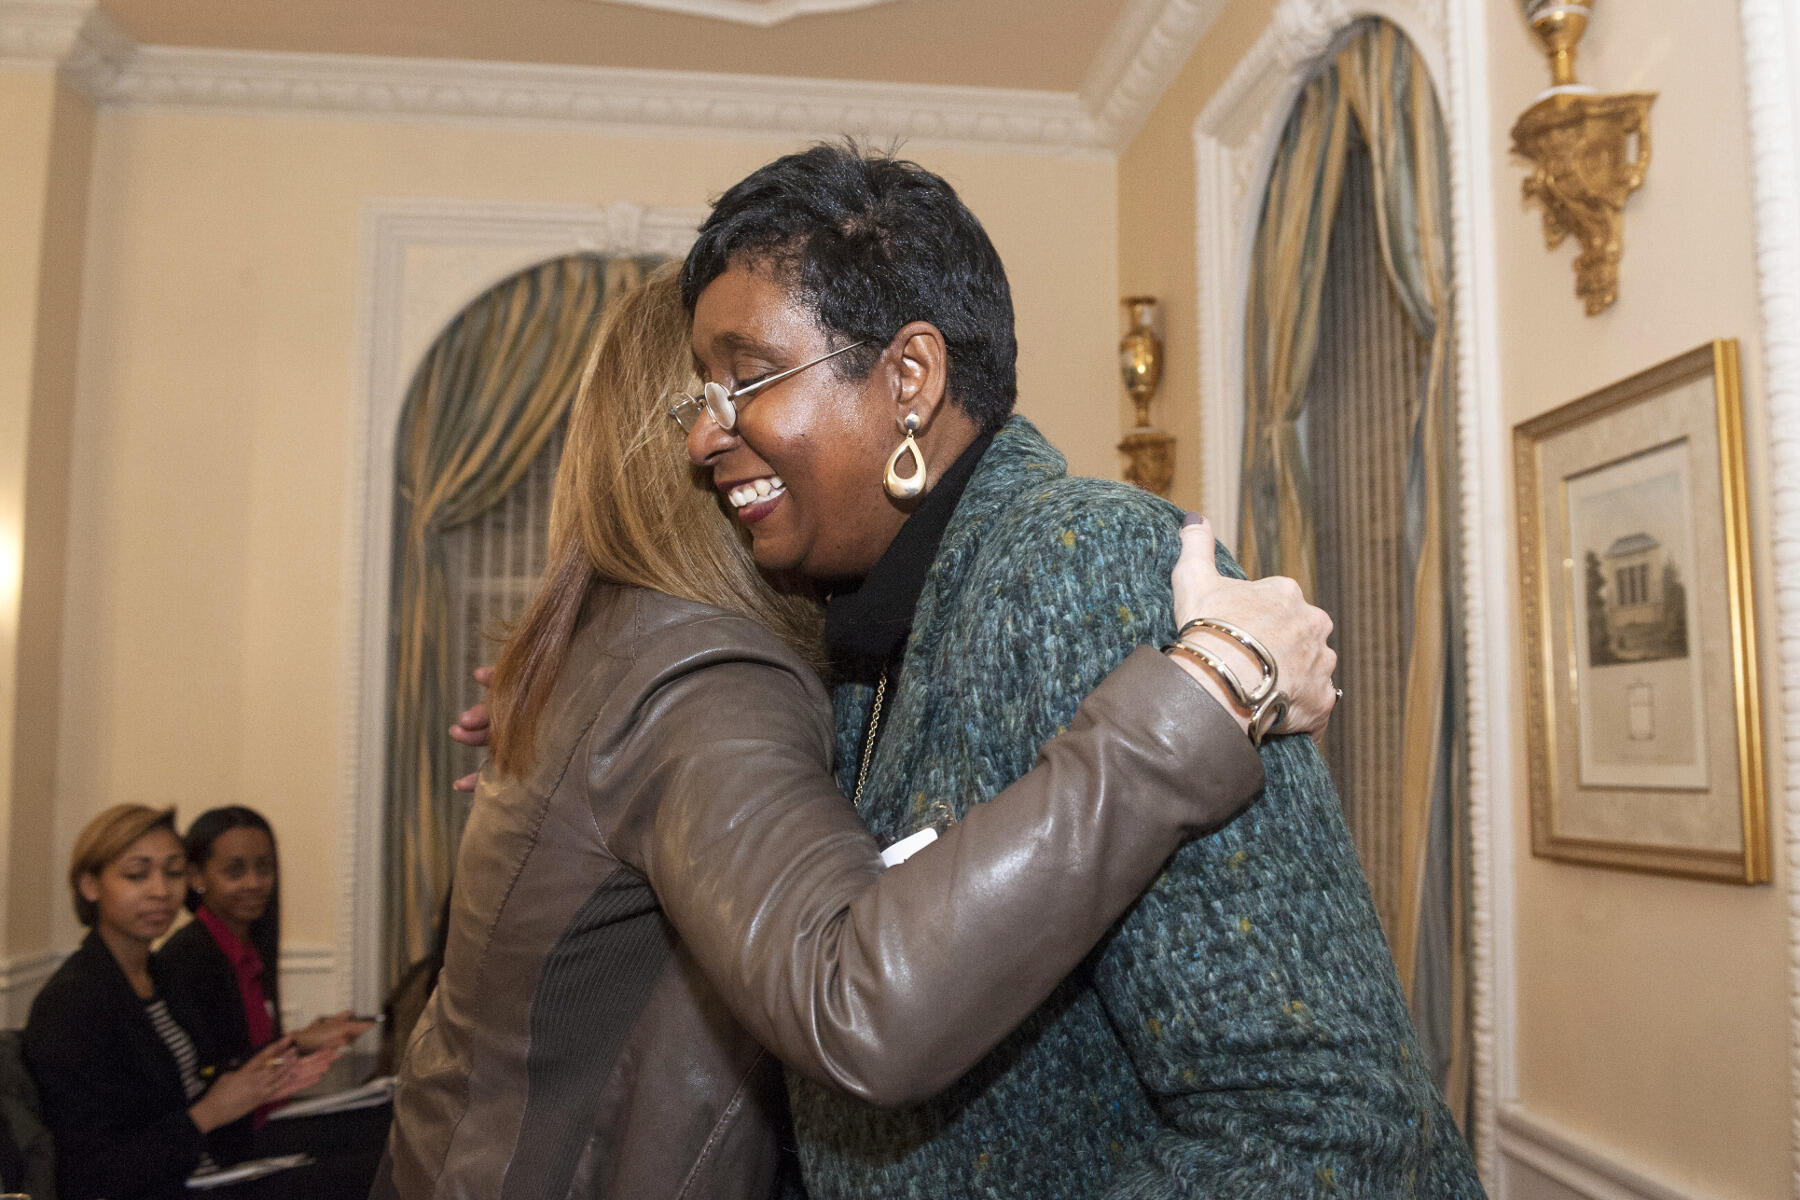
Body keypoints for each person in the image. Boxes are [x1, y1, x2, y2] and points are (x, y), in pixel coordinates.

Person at [379, 266, 1337, 1198]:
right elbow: (858, 997)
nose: (725, 426)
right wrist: (1208, 692)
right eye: (719, 395)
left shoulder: (637, 650)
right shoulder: (698, 674)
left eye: (750, 384)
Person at [677, 143, 1483, 1197]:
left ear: (908, 380)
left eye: (746, 380)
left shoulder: (1081, 564)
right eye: (703, 394)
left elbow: (1319, 1124)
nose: (703, 435)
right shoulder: (869, 634)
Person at [22, 805, 333, 1200]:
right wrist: (211, 1111)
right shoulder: (72, 1004)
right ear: (90, 885)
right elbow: (90, 1173)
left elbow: (200, 1085)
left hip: (207, 1166)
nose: (161, 890)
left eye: (173, 872)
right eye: (137, 874)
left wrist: (257, 1079)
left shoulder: (159, 976)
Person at [159, 806, 373, 1068]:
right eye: (235, 871)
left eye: (264, 868)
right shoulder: (185, 959)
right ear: (196, 876)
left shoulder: (251, 947)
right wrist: (296, 1041)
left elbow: (248, 1049)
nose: (254, 882)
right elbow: (212, 1069)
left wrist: (299, 1041)